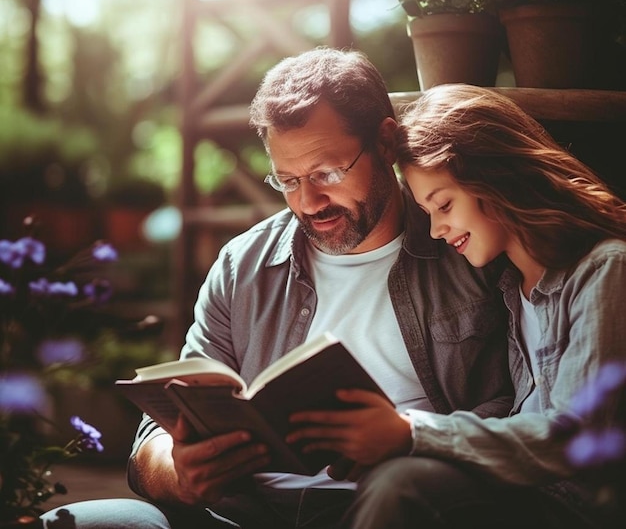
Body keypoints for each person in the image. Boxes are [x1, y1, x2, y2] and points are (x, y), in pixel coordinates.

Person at [41, 49, 512, 529]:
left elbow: (525, 420)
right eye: (286, 180)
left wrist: (407, 442)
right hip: (244, 513)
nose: (308, 202)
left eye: (327, 174)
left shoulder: (468, 246)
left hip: (389, 505)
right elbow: (153, 441)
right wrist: (178, 470)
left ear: (386, 143)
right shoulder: (242, 265)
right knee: (87, 521)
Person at [313, 84, 625, 529]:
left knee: (404, 486)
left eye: (443, 205)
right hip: (522, 492)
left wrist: (412, 433)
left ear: (496, 180)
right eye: (426, 211)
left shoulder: (605, 271)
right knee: (387, 481)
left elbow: (578, 438)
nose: (437, 229)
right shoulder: (509, 292)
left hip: (581, 507)